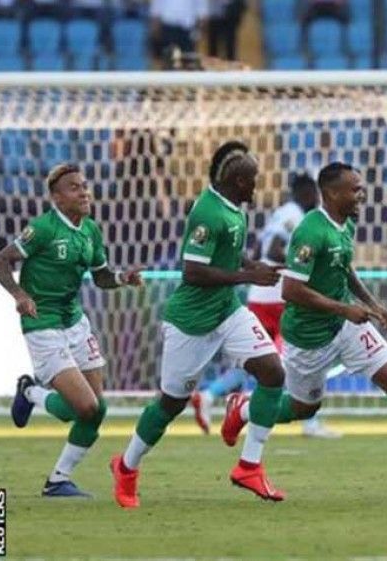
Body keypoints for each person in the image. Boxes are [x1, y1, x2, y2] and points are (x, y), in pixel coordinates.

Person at [220, 162, 387, 489]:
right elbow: (291, 290)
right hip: (308, 336)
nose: (361, 194)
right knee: (304, 408)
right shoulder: (310, 231)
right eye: (355, 189)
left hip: (344, 325)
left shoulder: (346, 223)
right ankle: (244, 409)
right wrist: (344, 308)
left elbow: (343, 267)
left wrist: (371, 303)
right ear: (332, 194)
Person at [111, 141, 288, 508]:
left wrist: (251, 265)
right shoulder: (207, 212)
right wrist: (247, 277)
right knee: (171, 404)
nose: (257, 187)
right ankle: (126, 467)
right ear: (238, 181)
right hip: (191, 321)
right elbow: (192, 272)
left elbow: (229, 250)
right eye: (253, 181)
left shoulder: (233, 208)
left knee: (273, 372)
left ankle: (249, 466)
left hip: (227, 311)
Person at [0, 163, 144, 497]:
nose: (84, 192)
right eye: (74, 188)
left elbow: (101, 277)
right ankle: (31, 393)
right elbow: (0, 261)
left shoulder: (90, 230)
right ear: (57, 198)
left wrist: (123, 278)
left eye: (85, 186)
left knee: (96, 410)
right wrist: (20, 295)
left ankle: (58, 480)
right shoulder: (43, 229)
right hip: (42, 322)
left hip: (74, 321)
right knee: (86, 407)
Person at [191, 172, 341, 438]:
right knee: (298, 357)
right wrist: (309, 267)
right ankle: (298, 419)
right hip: (280, 299)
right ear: (306, 193)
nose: (317, 199)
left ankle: (209, 396)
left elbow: (260, 248)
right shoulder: (297, 215)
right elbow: (273, 250)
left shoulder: (280, 214)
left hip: (260, 296)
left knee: (260, 359)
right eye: (315, 193)